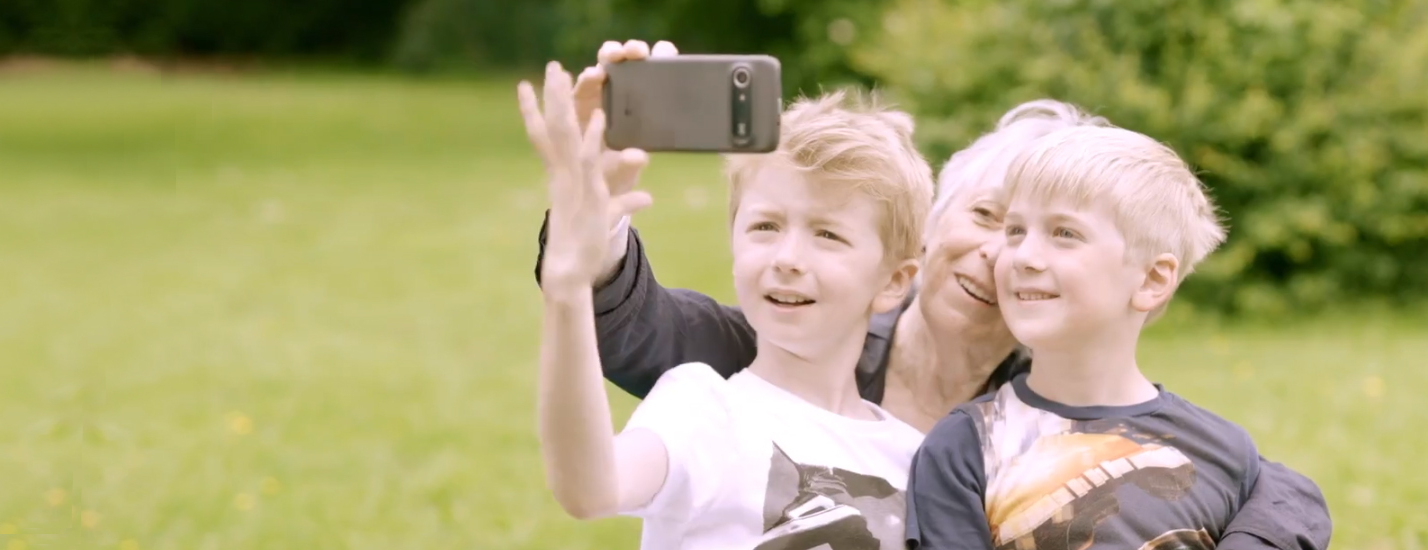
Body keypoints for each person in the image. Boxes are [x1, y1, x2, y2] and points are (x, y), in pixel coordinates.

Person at [531, 39, 1331, 550]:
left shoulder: (1007, 431)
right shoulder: (731, 379)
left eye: (1049, 234)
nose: (1004, 254)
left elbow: (1259, 481)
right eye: (988, 217)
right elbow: (630, 347)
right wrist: (583, 257)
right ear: (929, 234)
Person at [525, 48, 939, 549]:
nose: (787, 257)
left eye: (827, 235)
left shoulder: (917, 460)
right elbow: (590, 489)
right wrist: (569, 288)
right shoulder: (704, 408)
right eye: (766, 225)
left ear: (895, 281)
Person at [904, 123, 1263, 550]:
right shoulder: (963, 446)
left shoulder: (1224, 450)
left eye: (1064, 233)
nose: (1021, 256)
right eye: (1016, 230)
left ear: (1151, 279)